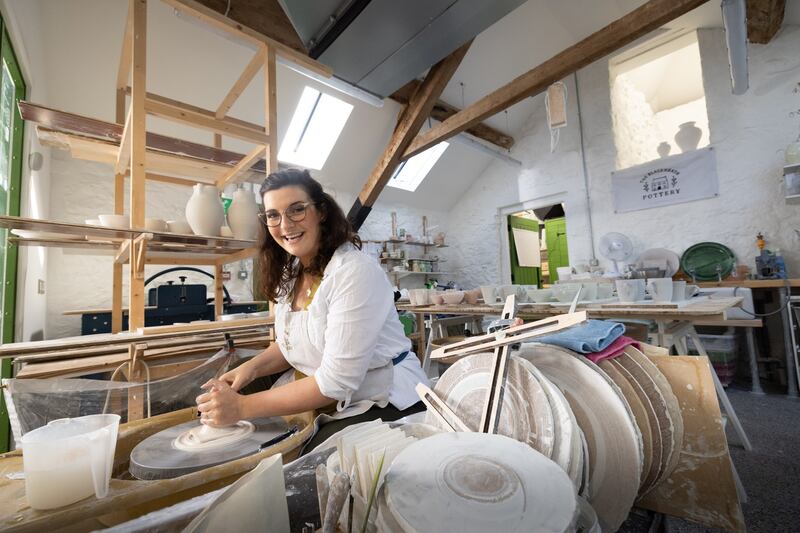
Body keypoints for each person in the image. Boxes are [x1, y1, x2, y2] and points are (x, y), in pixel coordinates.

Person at [196, 168, 428, 450]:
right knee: (248, 401)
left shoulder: (353, 272)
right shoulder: (293, 271)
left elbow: (337, 382)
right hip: (333, 391)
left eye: (296, 210)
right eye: (273, 215)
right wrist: (251, 368)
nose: (285, 225)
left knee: (312, 455)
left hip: (384, 395)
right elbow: (292, 342)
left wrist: (242, 408)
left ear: (321, 212)